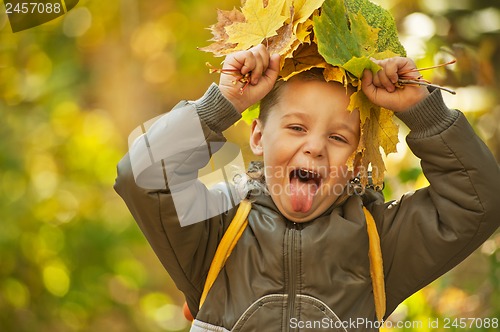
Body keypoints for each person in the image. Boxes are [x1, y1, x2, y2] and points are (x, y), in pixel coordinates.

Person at [114, 44, 500, 331]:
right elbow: (143, 175)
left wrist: (422, 111)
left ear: (358, 162)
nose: (315, 146)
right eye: (296, 127)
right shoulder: (216, 229)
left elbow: (479, 202)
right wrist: (222, 104)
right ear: (259, 137)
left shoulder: (380, 244)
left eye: (337, 137)